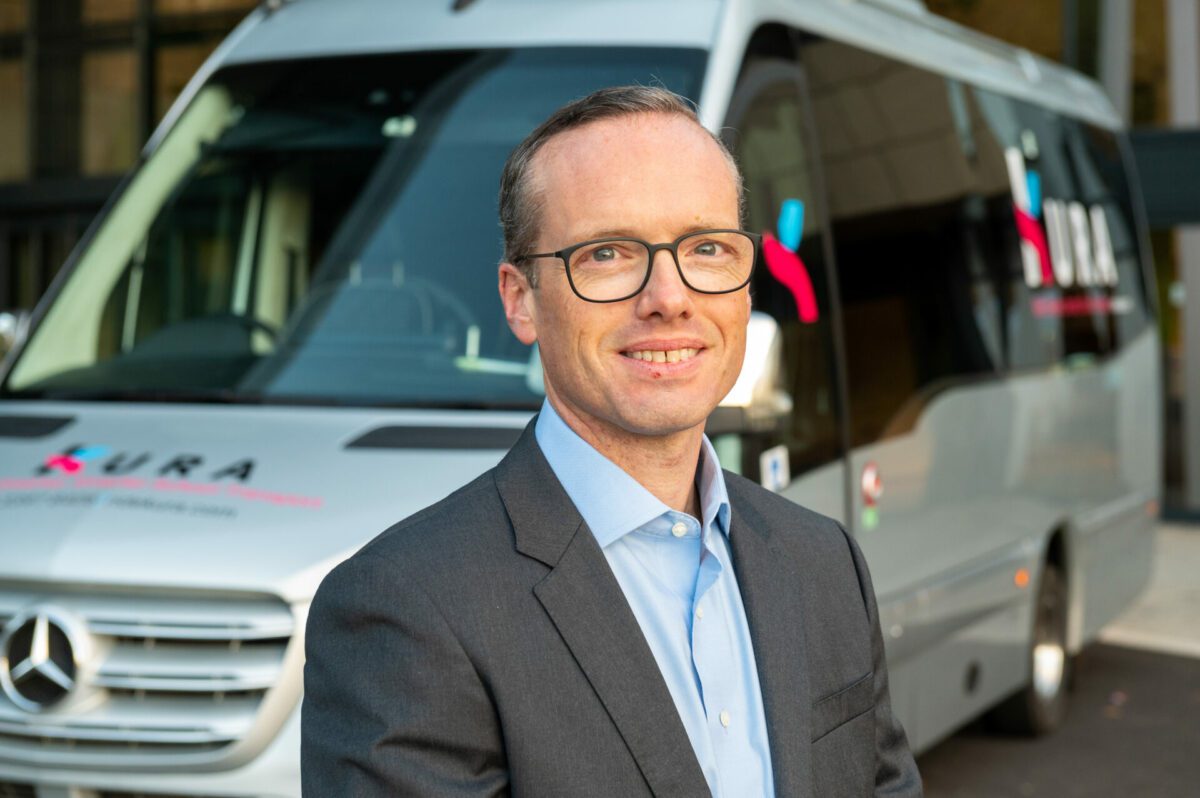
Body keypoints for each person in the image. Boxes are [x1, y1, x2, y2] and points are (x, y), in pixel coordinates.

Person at [302, 85, 922, 797]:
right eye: (608, 254)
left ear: (746, 285)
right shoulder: (405, 610)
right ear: (520, 300)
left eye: (707, 248)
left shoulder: (825, 562)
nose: (669, 298)